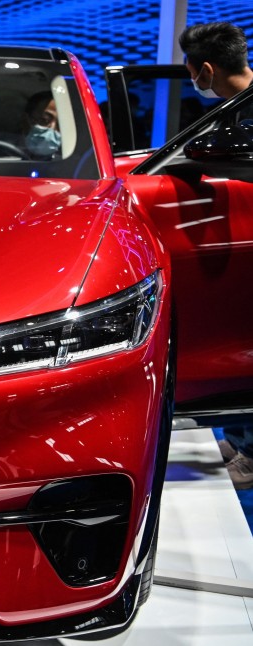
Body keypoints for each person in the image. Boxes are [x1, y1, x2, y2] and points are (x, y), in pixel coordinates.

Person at [180, 22, 253, 489]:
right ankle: (240, 434)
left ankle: (251, 451)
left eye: (191, 72)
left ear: (206, 70)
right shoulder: (235, 109)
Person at [23, 91, 61, 159]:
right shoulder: (2, 150)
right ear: (27, 119)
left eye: (60, 125)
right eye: (44, 120)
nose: (53, 128)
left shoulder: (66, 161)